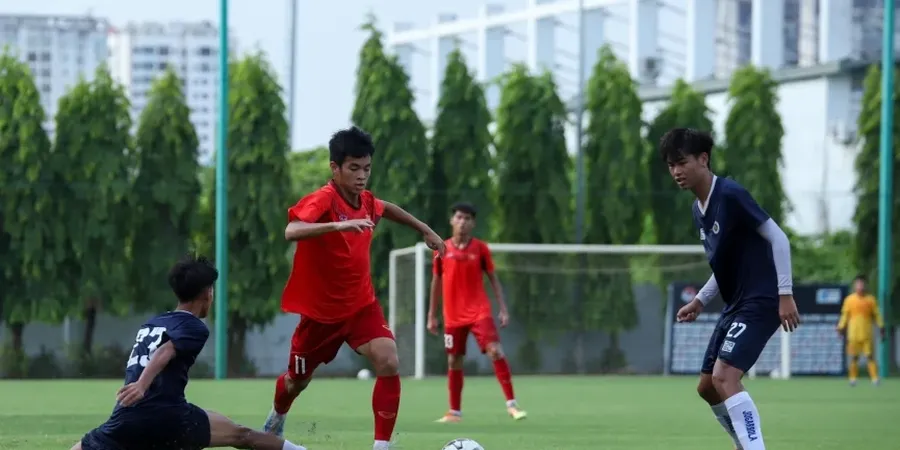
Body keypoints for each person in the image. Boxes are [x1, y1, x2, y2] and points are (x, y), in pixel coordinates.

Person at [262, 126, 445, 450]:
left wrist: (423, 228)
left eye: (367, 168)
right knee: (296, 381)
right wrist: (338, 224)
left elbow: (385, 207)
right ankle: (277, 417)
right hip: (320, 315)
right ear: (335, 168)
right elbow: (292, 229)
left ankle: (381, 446)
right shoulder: (324, 199)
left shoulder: (366, 201)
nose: (362, 176)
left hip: (361, 307)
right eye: (354, 168)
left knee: (388, 359)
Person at [72, 253, 308, 450]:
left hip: (127, 416)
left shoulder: (152, 324)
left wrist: (140, 387)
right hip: (169, 416)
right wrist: (143, 385)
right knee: (242, 435)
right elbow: (166, 351)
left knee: (84, 445)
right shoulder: (195, 326)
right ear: (207, 293)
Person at [661, 128, 801, 450]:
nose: (676, 172)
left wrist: (785, 294)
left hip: (761, 298)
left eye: (681, 162)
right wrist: (700, 300)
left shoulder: (730, 195)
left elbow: (778, 238)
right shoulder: (698, 210)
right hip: (735, 303)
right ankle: (745, 443)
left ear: (703, 159)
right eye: (671, 165)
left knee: (725, 376)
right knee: (707, 386)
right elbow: (723, 266)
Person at [427, 202, 527, 423]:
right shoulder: (441, 249)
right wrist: (431, 316)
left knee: (495, 350)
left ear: (473, 223)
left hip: (479, 312)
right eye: (459, 218)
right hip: (452, 315)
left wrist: (502, 308)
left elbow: (493, 278)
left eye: (467, 219)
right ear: (452, 220)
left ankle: (512, 405)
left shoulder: (481, 249)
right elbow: (436, 282)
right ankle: (455, 412)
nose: (463, 222)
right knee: (454, 360)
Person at [837, 274, 884, 386]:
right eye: (858, 284)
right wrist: (840, 327)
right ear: (854, 286)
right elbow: (845, 315)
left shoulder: (870, 300)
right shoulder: (849, 300)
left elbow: (877, 315)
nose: (860, 286)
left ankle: (875, 378)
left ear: (865, 285)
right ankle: (853, 379)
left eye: (862, 284)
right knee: (854, 357)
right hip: (853, 334)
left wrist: (881, 326)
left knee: (870, 356)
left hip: (867, 334)